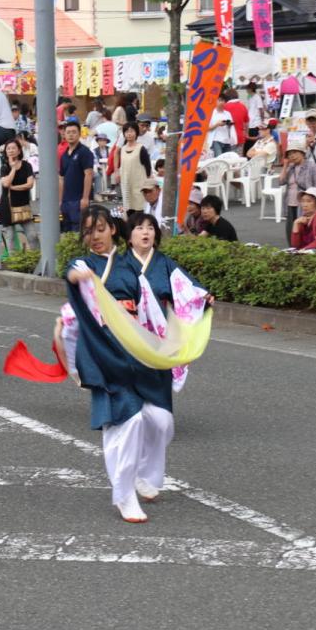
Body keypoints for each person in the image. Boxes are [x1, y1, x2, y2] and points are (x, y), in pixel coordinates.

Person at [65, 207, 210, 523]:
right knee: (127, 421)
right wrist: (80, 276)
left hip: (138, 350)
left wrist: (173, 345)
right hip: (105, 352)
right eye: (88, 231)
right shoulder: (84, 264)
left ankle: (146, 474)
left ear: (113, 230)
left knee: (161, 420)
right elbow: (73, 273)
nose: (95, 236)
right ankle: (124, 494)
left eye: (100, 229)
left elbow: (152, 310)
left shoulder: (131, 267)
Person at [280, 144, 316, 245]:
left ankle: (305, 249)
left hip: (306, 204)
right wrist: (285, 166)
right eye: (289, 154)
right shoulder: (291, 168)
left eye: (295, 153)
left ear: (303, 153)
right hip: (290, 202)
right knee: (291, 229)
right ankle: (292, 249)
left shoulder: (312, 166)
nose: (292, 156)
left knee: (303, 229)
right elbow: (281, 182)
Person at [0, 138, 37, 252]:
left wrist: (14, 188)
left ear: (19, 150)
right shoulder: (4, 167)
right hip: (8, 208)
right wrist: (13, 169)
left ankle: (36, 259)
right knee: (10, 239)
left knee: (32, 236)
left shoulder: (27, 165)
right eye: (8, 149)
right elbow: (6, 183)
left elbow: (30, 184)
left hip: (23, 206)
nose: (11, 150)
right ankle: (14, 262)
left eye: (13, 148)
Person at [58, 119, 95, 232]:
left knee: (79, 231)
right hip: (66, 200)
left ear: (79, 134)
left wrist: (85, 198)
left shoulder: (85, 152)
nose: (71, 135)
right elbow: (61, 178)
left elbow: (89, 174)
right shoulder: (64, 155)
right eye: (68, 132)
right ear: (64, 135)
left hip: (79, 200)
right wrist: (60, 200)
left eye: (74, 132)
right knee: (66, 232)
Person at [112, 122, 152, 216]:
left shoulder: (141, 148)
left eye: (132, 131)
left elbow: (148, 167)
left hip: (139, 185)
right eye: (127, 131)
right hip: (126, 184)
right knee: (128, 208)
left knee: (139, 209)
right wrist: (117, 172)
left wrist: (147, 183)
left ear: (136, 133)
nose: (129, 134)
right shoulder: (123, 149)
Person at [289, 187, 316, 251]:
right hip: (305, 251)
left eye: (309, 201)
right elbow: (295, 245)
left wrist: (304, 250)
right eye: (303, 201)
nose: (305, 205)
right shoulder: (303, 218)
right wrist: (295, 223)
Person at [223, 89, 249, 153]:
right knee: (238, 158)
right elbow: (246, 123)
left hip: (228, 138)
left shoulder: (224, 107)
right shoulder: (243, 106)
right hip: (240, 137)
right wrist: (246, 134)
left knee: (228, 157)